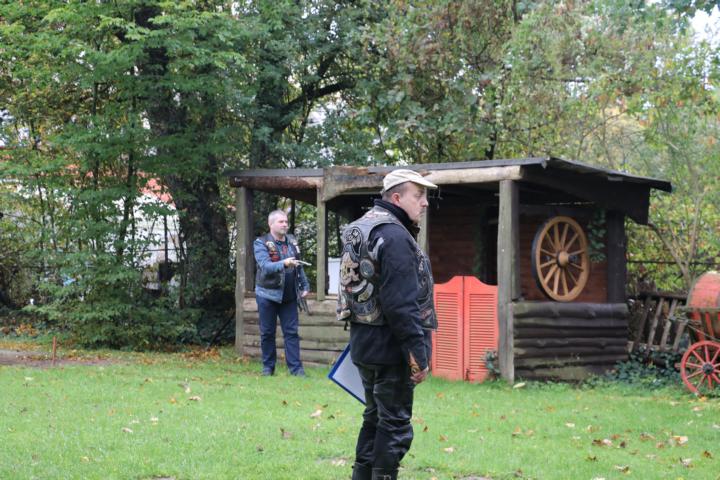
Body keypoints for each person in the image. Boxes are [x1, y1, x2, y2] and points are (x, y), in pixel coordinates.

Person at [337, 169, 438, 480]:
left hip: (364, 344)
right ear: (396, 197)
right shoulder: (394, 236)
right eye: (418, 196)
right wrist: (418, 354)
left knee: (374, 418)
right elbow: (400, 305)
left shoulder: (359, 227)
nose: (425, 203)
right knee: (394, 426)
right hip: (391, 348)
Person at [253, 209, 310, 377]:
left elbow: (298, 265)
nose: (285, 224)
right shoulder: (261, 243)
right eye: (281, 222)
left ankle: (296, 370)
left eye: (286, 221)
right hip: (267, 294)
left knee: (291, 333)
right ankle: (268, 368)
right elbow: (265, 266)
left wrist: (304, 285)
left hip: (289, 296)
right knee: (267, 333)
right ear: (271, 224)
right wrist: (284, 263)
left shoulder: (292, 241)